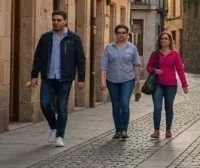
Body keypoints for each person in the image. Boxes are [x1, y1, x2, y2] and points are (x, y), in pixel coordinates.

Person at [30, 10, 86, 148]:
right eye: (54, 20)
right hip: (48, 77)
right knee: (45, 104)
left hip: (65, 78)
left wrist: (81, 78)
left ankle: (60, 136)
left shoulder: (73, 38)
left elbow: (80, 59)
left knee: (62, 107)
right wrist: (34, 75)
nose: (56, 22)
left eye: (59, 20)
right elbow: (38, 57)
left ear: (65, 21)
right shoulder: (46, 38)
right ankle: (53, 126)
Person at [99, 24, 141, 140]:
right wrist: (102, 80)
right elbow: (104, 65)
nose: (121, 35)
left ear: (127, 34)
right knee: (116, 105)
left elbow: (136, 65)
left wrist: (137, 81)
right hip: (112, 80)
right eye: (119, 33)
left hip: (128, 79)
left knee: (124, 103)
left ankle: (124, 130)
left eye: (123, 33)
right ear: (116, 34)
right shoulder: (109, 48)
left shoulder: (132, 48)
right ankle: (118, 130)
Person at [145, 31, 188, 139]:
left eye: (166, 38)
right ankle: (156, 131)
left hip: (171, 85)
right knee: (157, 107)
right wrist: (154, 70)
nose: (163, 40)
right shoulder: (155, 54)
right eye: (162, 38)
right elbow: (148, 67)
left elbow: (180, 70)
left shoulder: (175, 54)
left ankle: (168, 129)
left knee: (169, 107)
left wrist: (184, 84)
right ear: (159, 41)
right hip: (158, 84)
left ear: (169, 41)